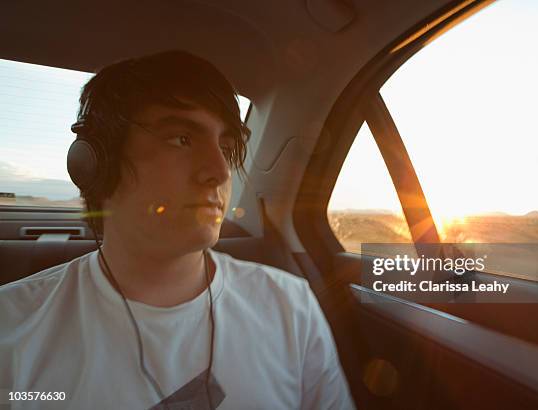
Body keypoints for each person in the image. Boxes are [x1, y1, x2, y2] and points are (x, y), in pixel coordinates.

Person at [0, 50, 355, 409]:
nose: (219, 172)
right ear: (95, 164)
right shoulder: (12, 328)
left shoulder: (290, 306)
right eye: (181, 139)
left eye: (226, 147)